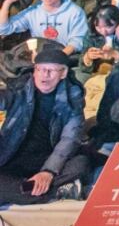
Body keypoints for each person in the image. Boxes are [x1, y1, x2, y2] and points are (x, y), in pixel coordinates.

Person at [0, 45, 87, 205]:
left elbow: (70, 138)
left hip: (48, 156)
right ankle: (54, 190)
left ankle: (28, 190)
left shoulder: (72, 97)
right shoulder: (20, 88)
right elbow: (4, 98)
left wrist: (48, 171)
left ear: (63, 73)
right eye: (40, 70)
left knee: (80, 163)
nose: (44, 75)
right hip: (14, 153)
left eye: (51, 71)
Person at [0, 0, 88, 55]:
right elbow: (4, 29)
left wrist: (58, 57)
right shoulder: (33, 11)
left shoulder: (75, 12)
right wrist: (7, 3)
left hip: (65, 55)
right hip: (39, 56)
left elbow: (77, 41)